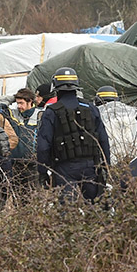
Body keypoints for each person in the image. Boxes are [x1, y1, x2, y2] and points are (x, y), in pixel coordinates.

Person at [36, 67, 111, 201]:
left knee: (68, 212)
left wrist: (42, 171)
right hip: (91, 166)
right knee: (95, 209)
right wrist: (106, 166)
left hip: (64, 168)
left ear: (55, 87)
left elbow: (43, 146)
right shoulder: (91, 108)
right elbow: (103, 139)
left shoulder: (51, 112)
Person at [5, 88, 43, 188]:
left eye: (21, 103)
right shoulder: (13, 114)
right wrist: (14, 97)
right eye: (17, 103)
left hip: (33, 164)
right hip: (14, 163)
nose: (19, 106)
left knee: (32, 196)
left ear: (30, 101)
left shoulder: (40, 115)